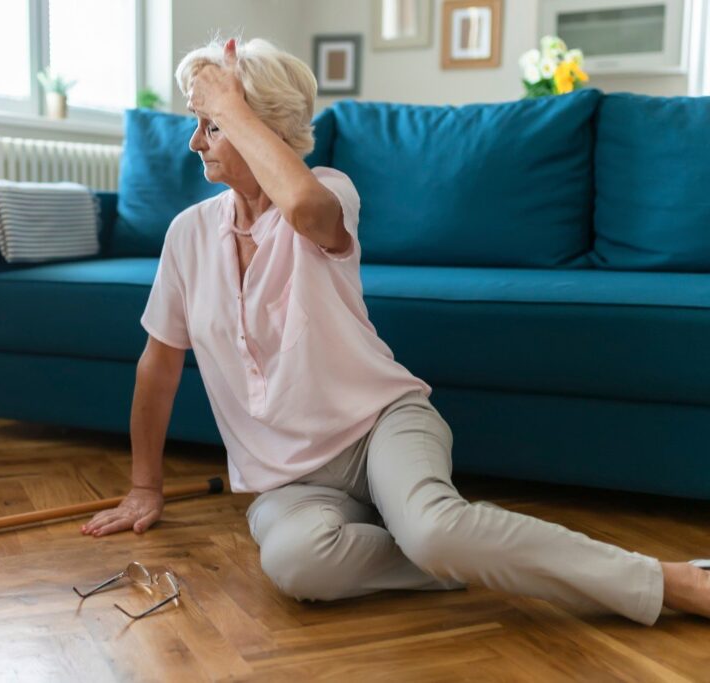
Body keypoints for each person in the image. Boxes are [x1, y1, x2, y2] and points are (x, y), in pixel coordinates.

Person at [81, 36, 710, 626]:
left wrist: (229, 103)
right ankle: (468, 542)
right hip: (285, 480)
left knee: (434, 531)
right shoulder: (188, 236)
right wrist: (144, 486)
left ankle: (669, 580)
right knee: (298, 565)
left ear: (262, 125)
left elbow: (301, 208)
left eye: (211, 124)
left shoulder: (330, 191)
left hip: (381, 425)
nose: (196, 141)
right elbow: (157, 365)